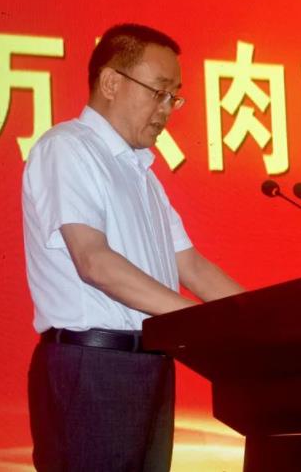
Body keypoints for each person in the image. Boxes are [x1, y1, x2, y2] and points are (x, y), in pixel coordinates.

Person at [22, 23, 243, 471]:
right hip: (92, 369)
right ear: (110, 82)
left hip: (149, 366)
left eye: (174, 97)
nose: (167, 110)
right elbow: (93, 261)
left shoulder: (141, 174)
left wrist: (263, 322)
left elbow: (191, 265)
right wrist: (199, 323)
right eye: (159, 92)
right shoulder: (67, 148)